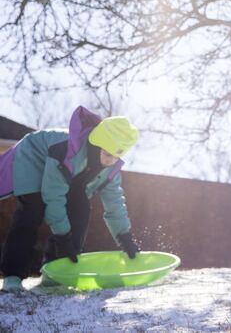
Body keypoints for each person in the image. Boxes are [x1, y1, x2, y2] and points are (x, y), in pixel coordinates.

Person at [0, 106, 140, 292]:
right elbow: (54, 197)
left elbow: (115, 203)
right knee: (32, 210)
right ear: (97, 144)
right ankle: (13, 275)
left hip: (65, 173)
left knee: (81, 208)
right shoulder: (65, 151)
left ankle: (55, 274)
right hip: (34, 157)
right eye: (108, 154)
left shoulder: (110, 168)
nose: (111, 161)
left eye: (117, 157)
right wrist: (62, 236)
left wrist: (124, 237)